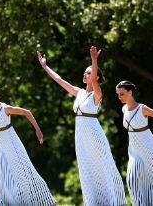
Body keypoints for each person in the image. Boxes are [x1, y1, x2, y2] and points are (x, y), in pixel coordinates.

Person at [38, 46, 125, 205]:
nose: (85, 74)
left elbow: (93, 79)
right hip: (81, 136)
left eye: (89, 72)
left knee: (101, 169)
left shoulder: (97, 94)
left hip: (93, 134)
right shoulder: (79, 92)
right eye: (85, 72)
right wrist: (45, 66)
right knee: (86, 169)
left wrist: (94, 60)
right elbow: (59, 80)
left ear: (96, 77)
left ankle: (111, 202)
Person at [0, 84, 56, 206]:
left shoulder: (5, 108)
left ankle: (48, 202)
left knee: (26, 175)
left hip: (12, 145)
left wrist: (38, 130)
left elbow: (27, 112)